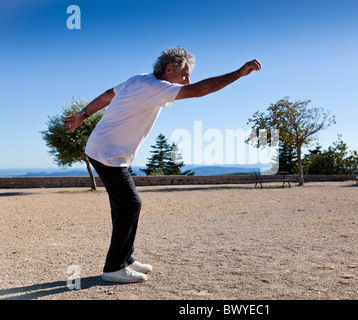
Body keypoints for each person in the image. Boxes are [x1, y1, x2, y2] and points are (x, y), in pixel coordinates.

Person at [63, 47, 261, 283]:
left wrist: (83, 114)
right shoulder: (155, 87)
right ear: (169, 69)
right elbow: (197, 91)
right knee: (130, 204)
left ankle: (124, 258)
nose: (187, 80)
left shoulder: (139, 80)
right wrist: (238, 73)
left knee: (123, 205)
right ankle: (114, 268)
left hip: (104, 150)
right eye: (184, 74)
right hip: (107, 153)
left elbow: (108, 94)